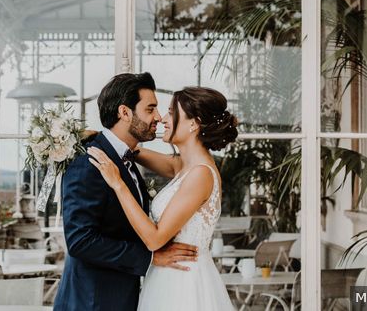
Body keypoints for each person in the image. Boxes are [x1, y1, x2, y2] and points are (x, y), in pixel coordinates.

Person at [53, 72, 200, 311]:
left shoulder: (123, 157)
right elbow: (80, 241)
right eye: (150, 109)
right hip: (92, 302)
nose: (159, 117)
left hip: (121, 298)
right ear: (124, 112)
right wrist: (150, 258)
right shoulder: (90, 162)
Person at [87, 86, 239, 311]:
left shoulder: (200, 174)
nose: (163, 119)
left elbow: (155, 239)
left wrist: (118, 184)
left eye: (171, 112)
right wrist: (100, 137)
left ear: (193, 124)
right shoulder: (185, 166)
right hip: (166, 277)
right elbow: (132, 151)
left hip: (183, 283)